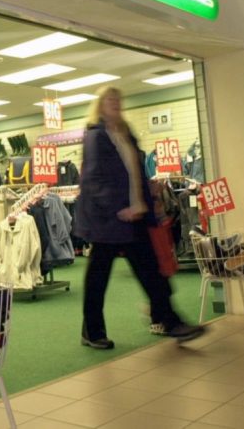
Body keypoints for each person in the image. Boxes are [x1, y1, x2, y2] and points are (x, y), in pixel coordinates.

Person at [75, 86, 204, 349]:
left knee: (152, 272)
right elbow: (92, 179)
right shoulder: (96, 136)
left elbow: (135, 174)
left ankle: (170, 321)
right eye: (109, 99)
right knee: (98, 279)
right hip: (109, 221)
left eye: (118, 99)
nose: (115, 103)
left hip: (135, 216)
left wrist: (148, 199)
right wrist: (117, 208)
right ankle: (92, 331)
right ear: (99, 105)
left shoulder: (125, 134)